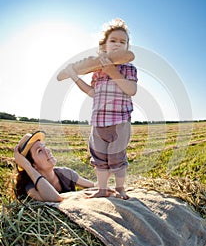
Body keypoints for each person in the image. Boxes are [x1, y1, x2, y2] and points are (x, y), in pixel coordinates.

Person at [61, 18, 138, 199]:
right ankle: (102, 189)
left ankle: (120, 189)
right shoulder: (96, 71)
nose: (118, 44)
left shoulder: (129, 68)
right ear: (104, 47)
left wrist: (112, 70)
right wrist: (73, 76)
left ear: (127, 47)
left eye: (122, 42)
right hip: (98, 123)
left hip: (120, 122)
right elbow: (91, 92)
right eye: (113, 41)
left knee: (117, 158)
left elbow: (131, 90)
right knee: (99, 160)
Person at [14, 130, 97, 202]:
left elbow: (94, 187)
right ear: (33, 164)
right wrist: (27, 166)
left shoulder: (66, 173)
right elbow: (54, 198)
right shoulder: (31, 187)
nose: (48, 150)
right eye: (39, 151)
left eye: (44, 147)